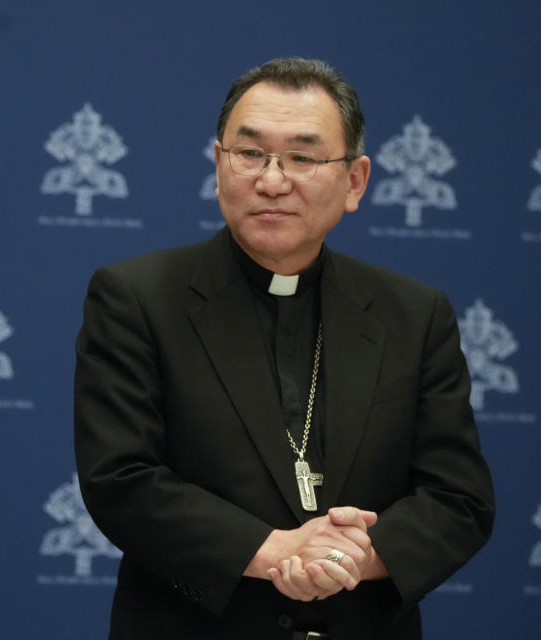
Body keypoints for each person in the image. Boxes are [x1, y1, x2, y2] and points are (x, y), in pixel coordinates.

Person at [74, 58, 494, 639]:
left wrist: (350, 561)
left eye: (302, 157)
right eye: (250, 154)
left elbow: (458, 498)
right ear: (218, 165)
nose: (272, 180)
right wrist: (274, 551)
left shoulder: (414, 315)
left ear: (354, 181)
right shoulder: (136, 299)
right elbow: (120, 477)